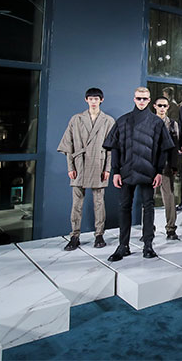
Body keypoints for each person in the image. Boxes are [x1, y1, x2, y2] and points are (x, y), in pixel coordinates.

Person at [103, 87, 174, 262]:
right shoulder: (123, 121)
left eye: (144, 98)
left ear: (149, 100)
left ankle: (148, 245)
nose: (141, 101)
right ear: (134, 99)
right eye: (138, 98)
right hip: (126, 171)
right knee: (124, 207)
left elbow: (163, 150)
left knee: (148, 207)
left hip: (149, 171)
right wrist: (115, 172)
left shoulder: (157, 123)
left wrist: (159, 172)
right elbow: (115, 148)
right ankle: (123, 246)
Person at [57, 87, 115, 251]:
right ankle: (74, 236)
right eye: (90, 99)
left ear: (101, 100)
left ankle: (99, 235)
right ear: (86, 100)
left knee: (99, 203)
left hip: (98, 163)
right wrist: (70, 167)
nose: (93, 102)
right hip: (79, 163)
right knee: (76, 204)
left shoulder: (108, 121)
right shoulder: (76, 119)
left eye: (96, 99)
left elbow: (111, 148)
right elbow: (68, 145)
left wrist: (107, 169)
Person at [153, 96, 181, 240]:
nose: (162, 108)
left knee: (169, 197)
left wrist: (174, 165)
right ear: (155, 106)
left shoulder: (172, 124)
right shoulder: (149, 122)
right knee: (148, 198)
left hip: (166, 165)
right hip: (150, 165)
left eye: (165, 105)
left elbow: (175, 146)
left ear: (168, 107)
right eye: (160, 105)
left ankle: (171, 229)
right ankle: (148, 228)